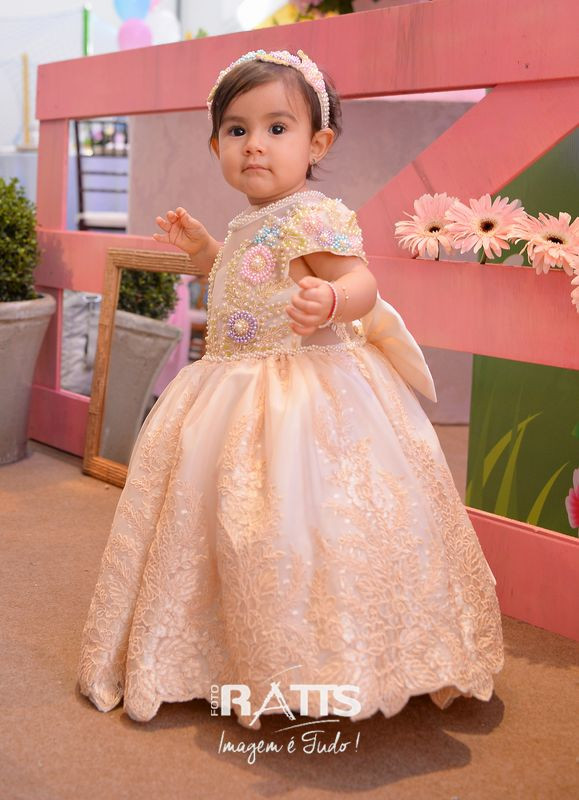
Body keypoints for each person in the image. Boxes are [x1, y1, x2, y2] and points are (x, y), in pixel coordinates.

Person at [77, 49, 504, 730]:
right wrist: (203, 251)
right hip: (234, 386)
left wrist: (332, 299)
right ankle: (230, 643)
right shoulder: (251, 221)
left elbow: (361, 282)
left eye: (277, 128)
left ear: (317, 144)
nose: (255, 144)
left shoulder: (311, 216)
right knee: (227, 515)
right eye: (237, 130)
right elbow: (247, 271)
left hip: (304, 394)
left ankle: (334, 652)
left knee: (303, 515)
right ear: (216, 145)